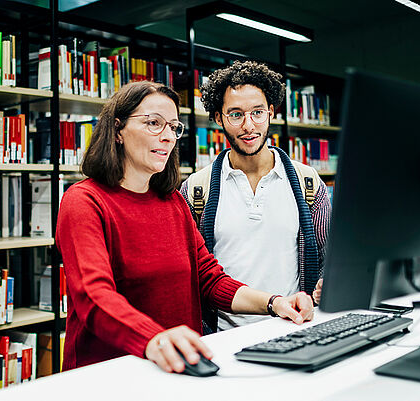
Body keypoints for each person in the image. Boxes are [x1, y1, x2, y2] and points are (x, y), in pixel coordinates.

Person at [56, 81, 314, 374]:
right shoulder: (84, 201)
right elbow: (93, 296)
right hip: (113, 374)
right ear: (117, 130)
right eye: (154, 123)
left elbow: (210, 280)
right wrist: (154, 339)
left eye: (173, 127)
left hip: (180, 367)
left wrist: (274, 302)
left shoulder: (173, 202)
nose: (167, 137)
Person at [181, 61, 331, 331]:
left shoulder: (308, 183)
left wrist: (325, 283)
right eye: (236, 114)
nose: (249, 126)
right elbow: (194, 274)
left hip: (292, 325)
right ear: (218, 118)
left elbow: (327, 256)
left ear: (271, 112)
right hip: (221, 335)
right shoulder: (195, 190)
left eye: (258, 112)